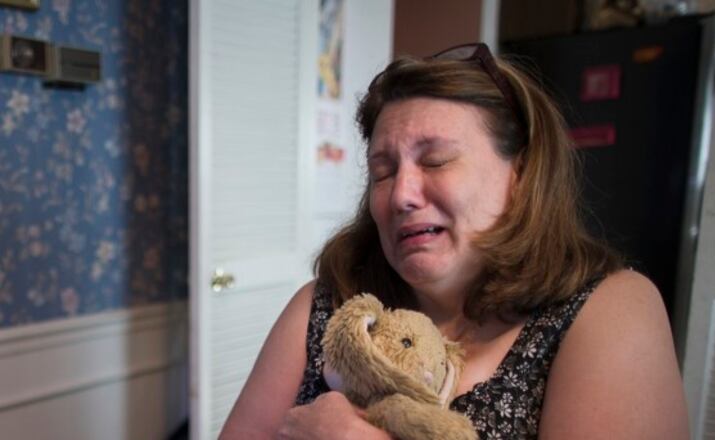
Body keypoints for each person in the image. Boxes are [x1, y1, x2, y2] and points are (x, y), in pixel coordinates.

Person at [220, 43, 689, 439]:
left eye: (436, 160)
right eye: (383, 171)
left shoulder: (607, 310)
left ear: (521, 175)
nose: (401, 194)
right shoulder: (325, 305)